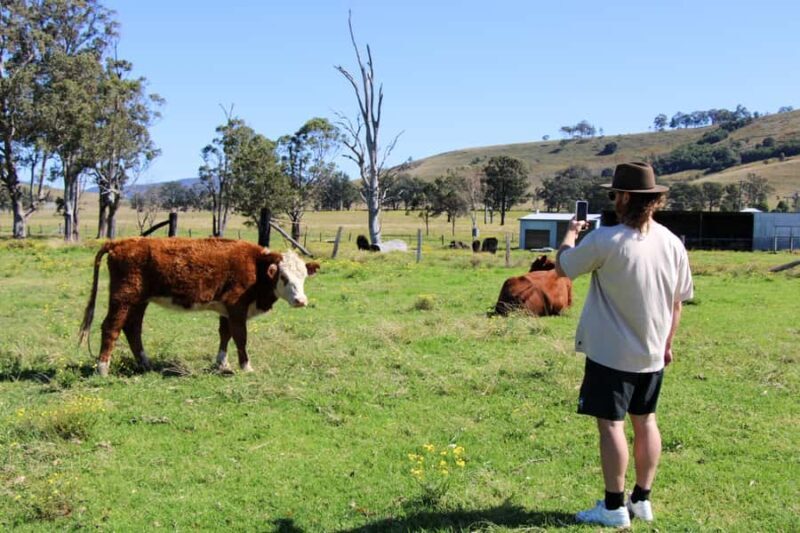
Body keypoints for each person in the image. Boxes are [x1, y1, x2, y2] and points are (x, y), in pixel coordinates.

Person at [555, 162, 693, 527]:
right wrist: (666, 344)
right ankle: (642, 500)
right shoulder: (671, 243)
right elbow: (677, 303)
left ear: (626, 197)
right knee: (646, 421)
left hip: (610, 354)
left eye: (615, 193)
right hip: (652, 353)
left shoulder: (605, 240)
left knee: (611, 426)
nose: (613, 199)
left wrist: (571, 234)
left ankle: (614, 507)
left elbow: (563, 267)